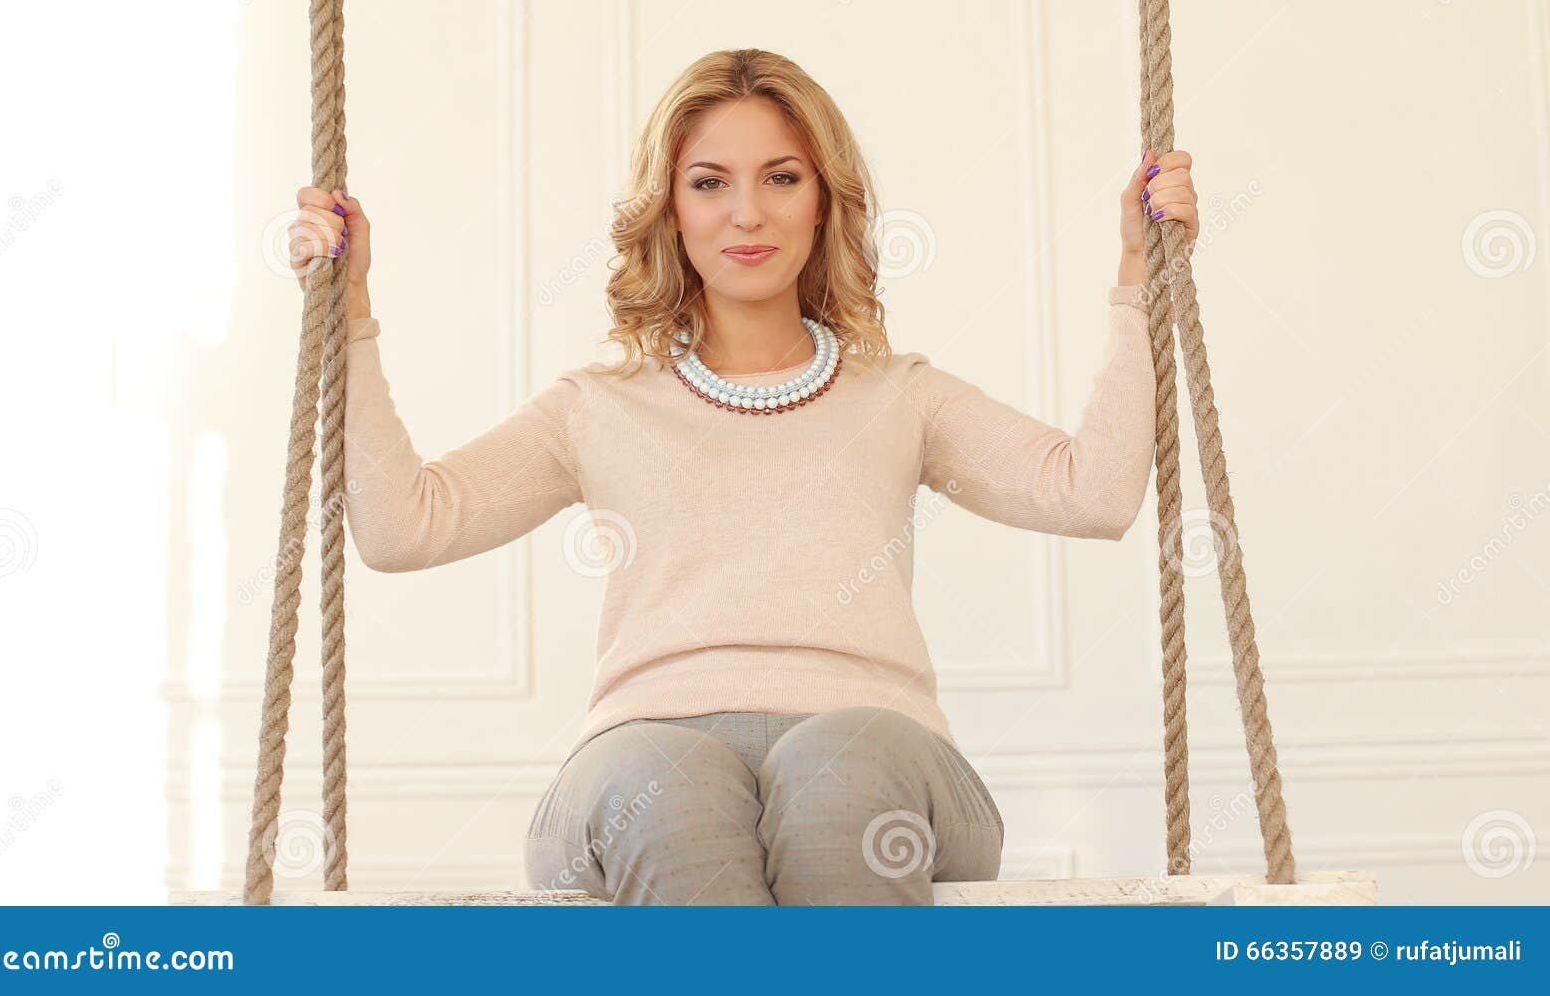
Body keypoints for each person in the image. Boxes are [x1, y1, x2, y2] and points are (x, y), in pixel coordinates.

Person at [286, 47, 1201, 905]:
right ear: (670, 208)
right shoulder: (600, 406)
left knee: (839, 767)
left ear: (822, 202)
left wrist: (1136, 276)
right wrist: (351, 310)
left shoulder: (901, 396)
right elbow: (403, 528)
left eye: (782, 178)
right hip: (643, 762)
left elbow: (1095, 492)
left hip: (878, 755)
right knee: (672, 787)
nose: (748, 213)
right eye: (709, 182)